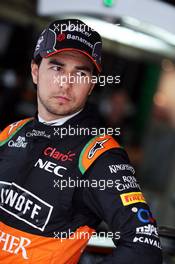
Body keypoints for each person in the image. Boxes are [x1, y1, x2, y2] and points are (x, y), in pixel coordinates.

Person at [0, 19, 162, 263]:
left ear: (91, 85)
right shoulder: (11, 133)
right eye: (57, 68)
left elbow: (144, 245)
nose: (67, 83)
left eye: (80, 73)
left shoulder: (99, 156)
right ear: (35, 71)